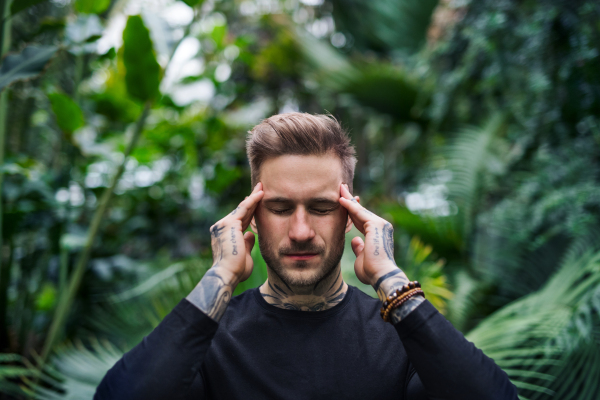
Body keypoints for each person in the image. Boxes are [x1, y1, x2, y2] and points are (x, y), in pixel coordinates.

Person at [95, 113, 518, 399]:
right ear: (253, 217)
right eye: (279, 209)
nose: (300, 232)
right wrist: (221, 275)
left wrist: (391, 277)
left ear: (351, 215)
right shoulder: (209, 339)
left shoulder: (401, 335)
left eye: (321, 208)